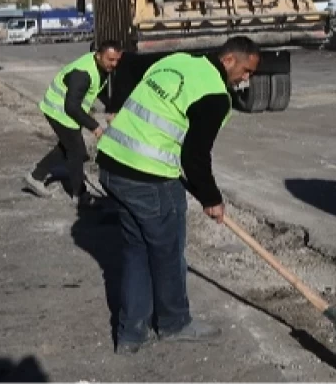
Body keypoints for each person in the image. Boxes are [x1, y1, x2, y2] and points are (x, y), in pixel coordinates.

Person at [96, 36, 261, 354]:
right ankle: (174, 323)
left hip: (111, 164)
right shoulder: (214, 94)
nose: (245, 79)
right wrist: (211, 199)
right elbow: (195, 156)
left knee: (137, 251)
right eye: (246, 70)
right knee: (167, 254)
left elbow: (128, 65)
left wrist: (117, 108)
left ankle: (131, 334)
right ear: (228, 60)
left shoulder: (180, 60)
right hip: (148, 178)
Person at [24, 41, 124, 203]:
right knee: (77, 151)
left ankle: (35, 177)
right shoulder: (83, 73)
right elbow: (71, 107)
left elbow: (99, 89)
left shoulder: (102, 67)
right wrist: (95, 126)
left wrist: (111, 111)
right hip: (59, 110)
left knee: (68, 147)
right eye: (110, 59)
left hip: (69, 108)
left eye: (117, 60)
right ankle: (80, 195)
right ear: (98, 55)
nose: (114, 64)